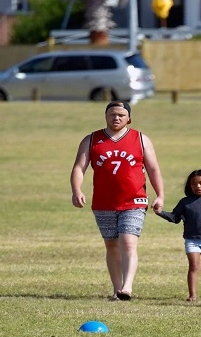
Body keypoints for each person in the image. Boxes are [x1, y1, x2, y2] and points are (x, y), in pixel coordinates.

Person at [70, 101, 164, 301]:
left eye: (121, 115)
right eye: (112, 114)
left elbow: (153, 169)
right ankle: (117, 289)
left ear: (128, 118)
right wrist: (76, 190)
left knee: (128, 243)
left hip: (134, 200)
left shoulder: (140, 139)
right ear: (106, 116)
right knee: (112, 245)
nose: (116, 118)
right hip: (104, 202)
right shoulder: (92, 140)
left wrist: (160, 195)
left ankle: (127, 287)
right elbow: (79, 167)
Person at [156, 169, 201, 301]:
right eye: (194, 184)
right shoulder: (185, 202)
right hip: (192, 240)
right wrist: (160, 212)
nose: (198, 186)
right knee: (194, 265)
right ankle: (192, 295)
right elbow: (175, 218)